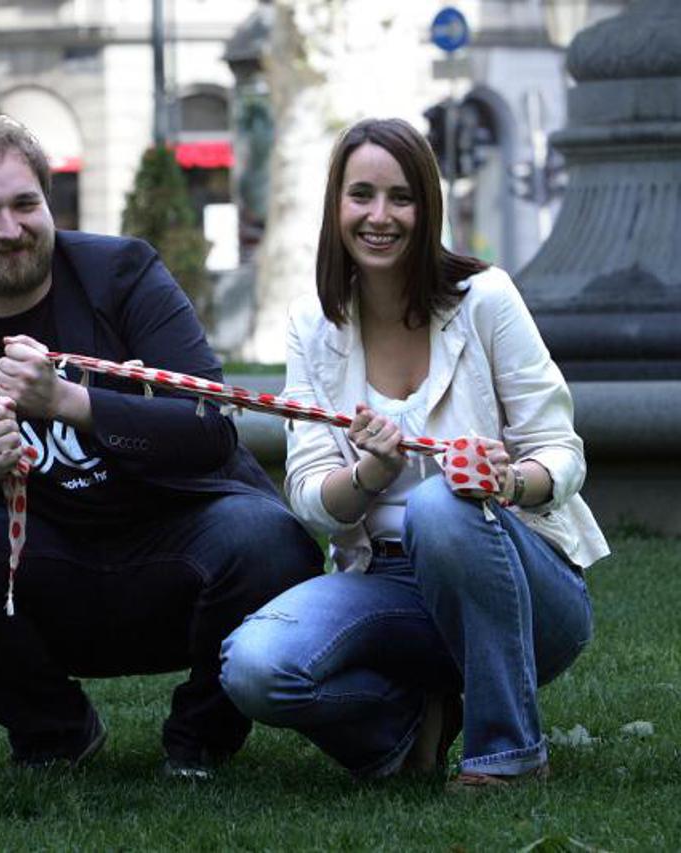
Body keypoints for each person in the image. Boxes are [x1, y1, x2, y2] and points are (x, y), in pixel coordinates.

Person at [0, 115, 323, 778]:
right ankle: (55, 732)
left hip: (174, 542)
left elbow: (209, 426)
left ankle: (200, 740)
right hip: (38, 567)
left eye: (25, 203)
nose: (10, 228)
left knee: (268, 540)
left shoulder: (123, 273)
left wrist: (69, 402)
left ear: (48, 203)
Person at [219, 118, 610, 789]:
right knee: (255, 666)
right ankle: (406, 728)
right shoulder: (313, 325)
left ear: (427, 208)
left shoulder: (486, 299)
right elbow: (309, 494)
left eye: (400, 197)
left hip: (522, 587)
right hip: (388, 580)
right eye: (361, 195)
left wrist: (510, 482)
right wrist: (370, 473)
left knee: (439, 504)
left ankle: (508, 755)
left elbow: (561, 452)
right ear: (336, 206)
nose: (380, 216)